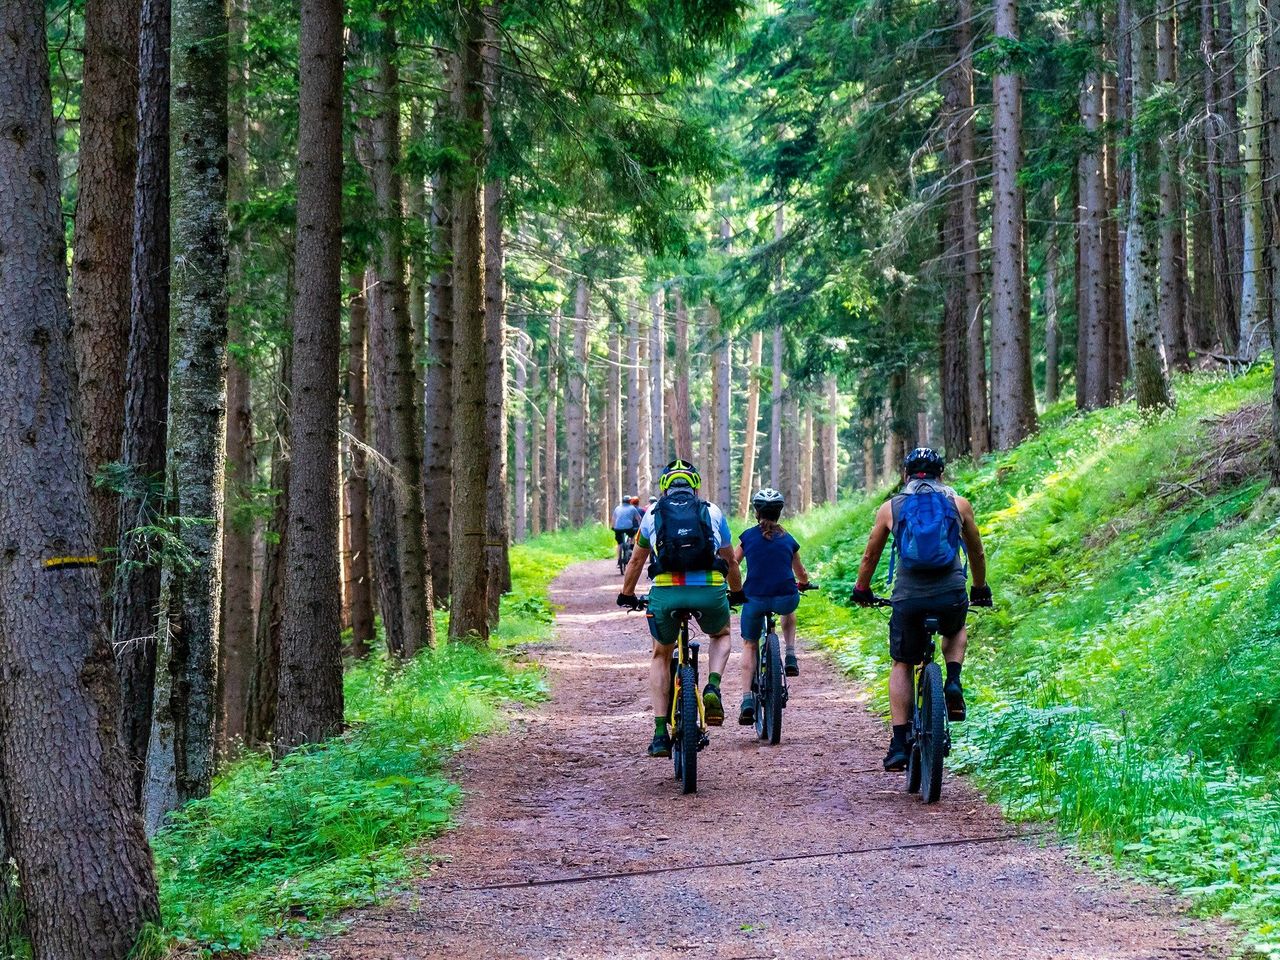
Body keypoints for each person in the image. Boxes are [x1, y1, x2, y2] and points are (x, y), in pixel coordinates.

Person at [850, 447, 992, 772]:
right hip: (950, 592)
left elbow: (870, 557)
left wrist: (861, 589)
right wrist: (980, 588)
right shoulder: (959, 505)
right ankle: (952, 680)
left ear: (905, 475)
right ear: (942, 474)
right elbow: (977, 552)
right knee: (955, 628)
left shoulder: (891, 508)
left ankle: (899, 743)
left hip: (909, 598)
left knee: (902, 661)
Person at [617, 460, 746, 757]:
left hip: (667, 593)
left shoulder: (652, 513)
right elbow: (731, 561)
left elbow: (636, 561)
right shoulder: (712, 511)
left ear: (664, 487)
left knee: (660, 654)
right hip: (709, 591)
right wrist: (737, 592)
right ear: (695, 485)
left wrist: (626, 594)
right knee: (722, 634)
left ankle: (660, 732)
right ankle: (713, 686)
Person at [734, 488, 811, 725]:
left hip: (754, 598)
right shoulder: (789, 540)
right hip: (785, 597)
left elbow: (733, 564)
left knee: (749, 644)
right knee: (789, 608)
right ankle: (789, 653)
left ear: (756, 512)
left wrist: (733, 590)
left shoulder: (747, 537)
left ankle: (747, 698)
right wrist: (805, 583)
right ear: (780, 512)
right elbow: (801, 573)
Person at [610, 495, 643, 562]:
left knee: (619, 543)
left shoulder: (617, 508)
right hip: (628, 528)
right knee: (632, 535)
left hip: (618, 528)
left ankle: (619, 558)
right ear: (630, 501)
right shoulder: (632, 508)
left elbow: (613, 519)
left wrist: (613, 527)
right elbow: (639, 518)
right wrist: (640, 526)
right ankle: (630, 546)